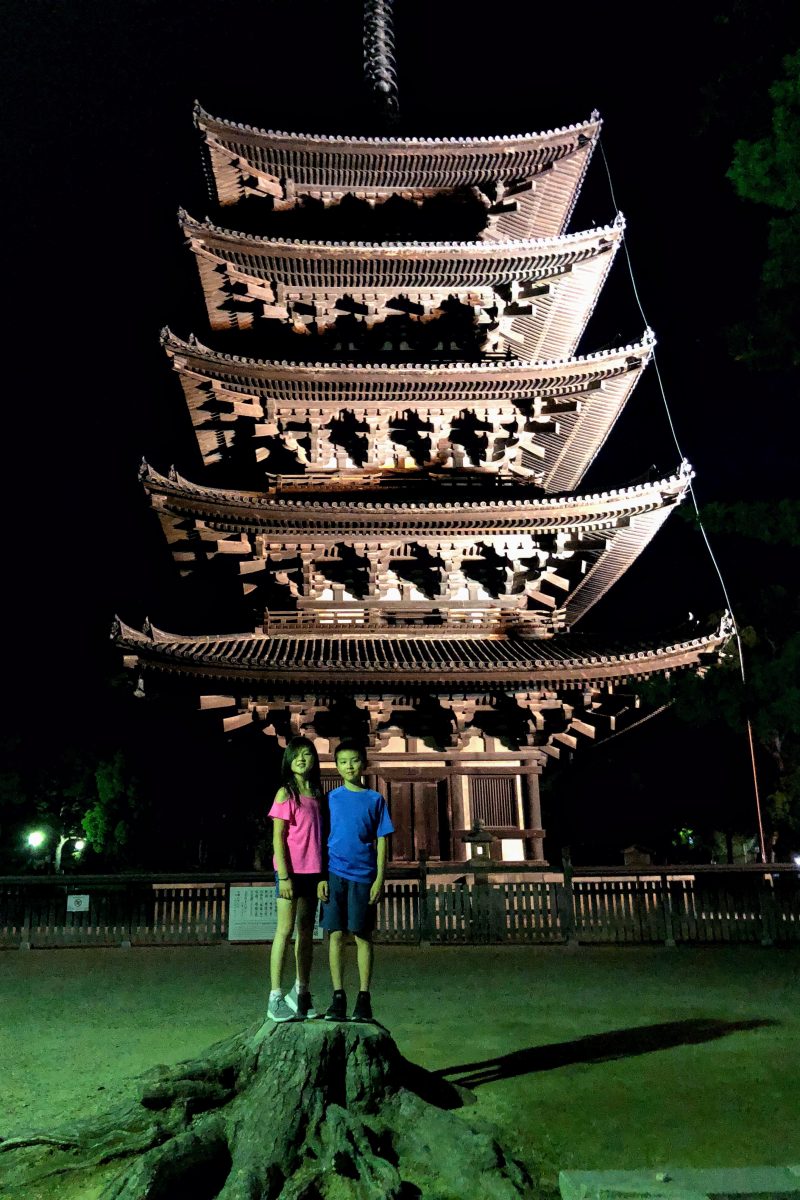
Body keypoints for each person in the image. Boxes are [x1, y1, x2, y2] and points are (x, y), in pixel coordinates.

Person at [319, 739, 394, 1022]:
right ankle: (338, 996)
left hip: (364, 876)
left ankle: (364, 997)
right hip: (335, 874)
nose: (348, 766)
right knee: (335, 935)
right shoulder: (331, 799)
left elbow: (382, 841)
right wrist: (320, 877)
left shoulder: (375, 799)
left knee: (363, 936)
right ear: (336, 767)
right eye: (342, 762)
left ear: (363, 763)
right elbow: (321, 840)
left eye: (353, 760)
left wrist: (379, 878)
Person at [266, 736, 327, 1022]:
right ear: (288, 761)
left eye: (307, 754)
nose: (302, 759)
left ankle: (302, 992)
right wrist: (283, 875)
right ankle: (275, 996)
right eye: (296, 755)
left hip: (313, 872)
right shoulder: (285, 793)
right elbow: (278, 836)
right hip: (290, 873)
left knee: (306, 934)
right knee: (284, 931)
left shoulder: (317, 792)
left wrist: (323, 874)